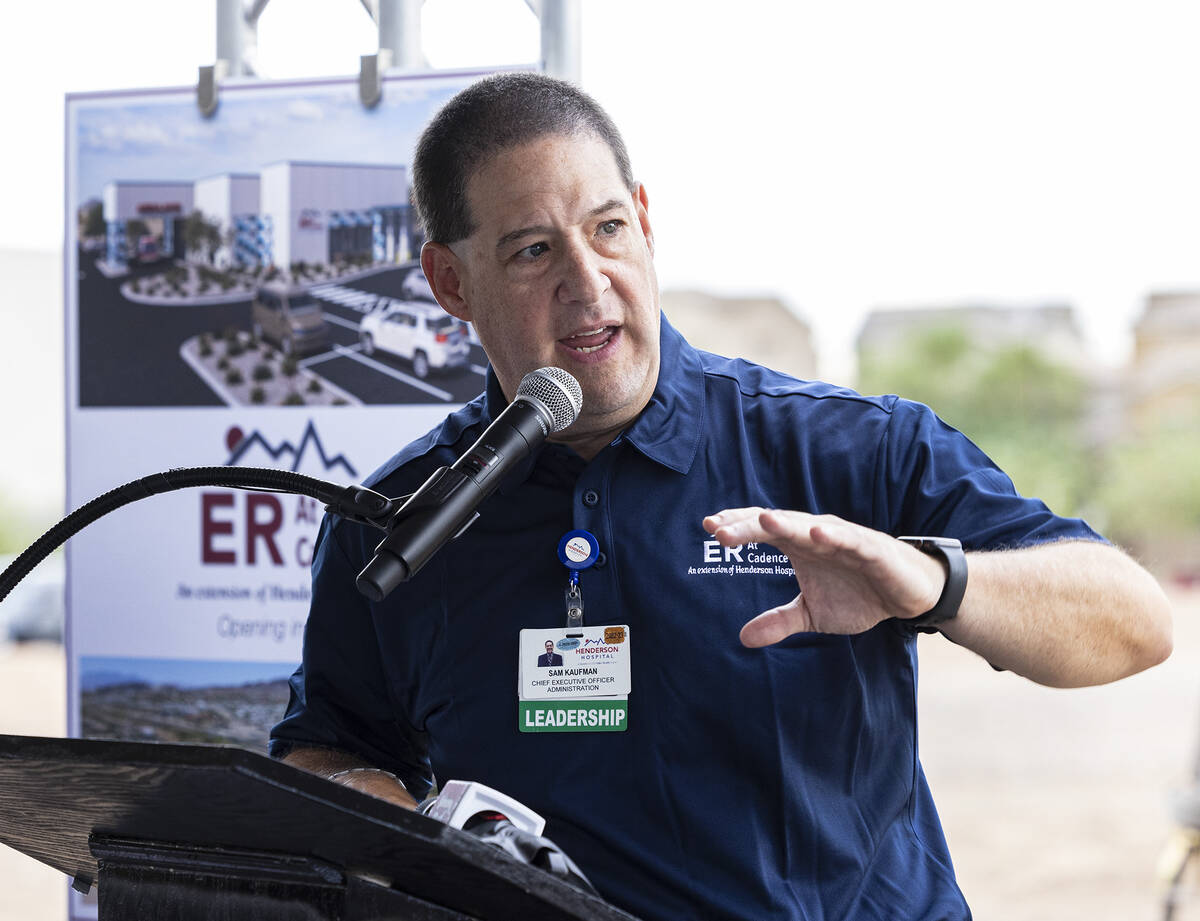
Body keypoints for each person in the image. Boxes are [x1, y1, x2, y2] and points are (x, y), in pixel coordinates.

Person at [270, 72, 1173, 921]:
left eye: (609, 228)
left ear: (649, 222)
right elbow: (327, 748)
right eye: (533, 250)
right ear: (450, 282)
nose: (588, 283)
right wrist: (426, 830)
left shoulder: (844, 448)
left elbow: (1133, 621)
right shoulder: (400, 521)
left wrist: (934, 580)